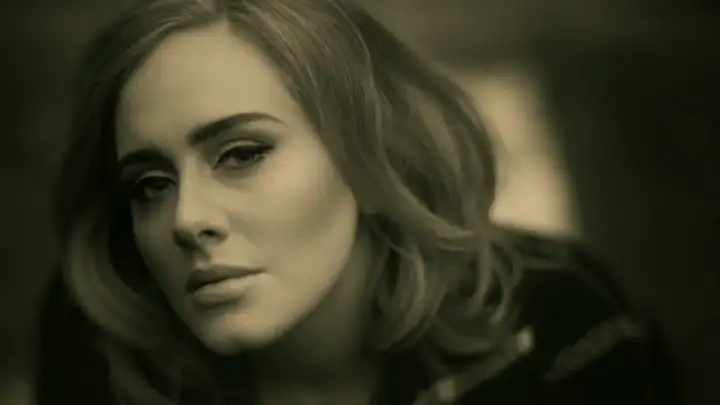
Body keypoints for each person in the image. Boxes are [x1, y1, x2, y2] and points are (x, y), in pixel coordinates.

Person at [36, 0, 679, 404]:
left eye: (242, 153)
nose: (186, 219)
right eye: (150, 185)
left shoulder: (556, 322)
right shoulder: (102, 340)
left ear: (372, 162)